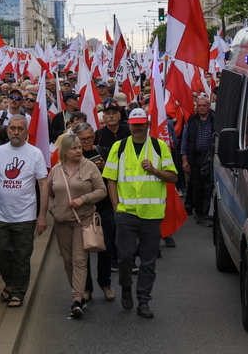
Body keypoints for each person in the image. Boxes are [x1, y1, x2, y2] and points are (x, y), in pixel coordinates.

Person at [102, 108, 178, 318]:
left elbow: (173, 178)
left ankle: (143, 299)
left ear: (147, 124)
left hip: (152, 213)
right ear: (130, 124)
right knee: (125, 256)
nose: (137, 127)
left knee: (148, 260)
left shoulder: (158, 146)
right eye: (134, 123)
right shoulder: (119, 147)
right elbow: (111, 179)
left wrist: (154, 170)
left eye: (141, 123)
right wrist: (116, 207)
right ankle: (126, 287)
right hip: (126, 212)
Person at [0, 115, 49, 308]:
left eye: (20, 129)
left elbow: (43, 185)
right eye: (12, 128)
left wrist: (42, 215)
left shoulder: (35, 154)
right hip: (0, 215)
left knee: (22, 256)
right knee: (0, 251)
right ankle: (10, 283)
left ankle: (18, 292)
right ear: (7, 130)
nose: (16, 132)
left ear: (26, 132)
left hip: (26, 216)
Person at [47, 134, 107, 318]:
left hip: (83, 221)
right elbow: (49, 194)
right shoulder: (56, 170)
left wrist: (84, 199)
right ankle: (78, 292)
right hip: (61, 223)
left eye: (80, 147)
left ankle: (77, 300)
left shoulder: (89, 167)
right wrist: (52, 210)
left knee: (79, 260)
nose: (79, 150)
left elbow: (102, 191)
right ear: (65, 150)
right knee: (68, 261)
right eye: (74, 148)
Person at [75, 123, 117, 301]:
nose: (87, 142)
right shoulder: (73, 155)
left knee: (105, 249)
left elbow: (116, 177)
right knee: (82, 252)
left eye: (90, 137)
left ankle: (105, 284)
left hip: (104, 208)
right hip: (82, 210)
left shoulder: (104, 151)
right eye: (83, 139)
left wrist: (105, 168)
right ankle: (87, 288)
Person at [182, 96, 215, 226]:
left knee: (208, 188)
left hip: (210, 158)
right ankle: (199, 213)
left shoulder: (214, 120)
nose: (202, 108)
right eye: (199, 105)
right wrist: (184, 159)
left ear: (208, 107)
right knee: (197, 188)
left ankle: (207, 215)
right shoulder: (191, 120)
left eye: (204, 105)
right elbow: (185, 140)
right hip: (195, 158)